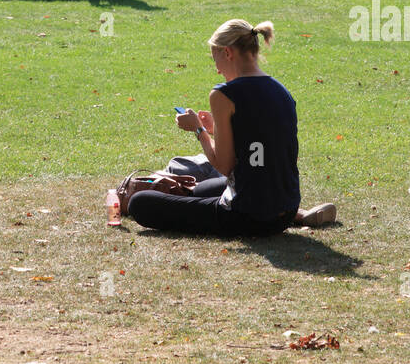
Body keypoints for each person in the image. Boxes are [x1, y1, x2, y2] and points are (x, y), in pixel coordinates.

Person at [127, 18, 336, 237]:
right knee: (198, 190)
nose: (217, 70)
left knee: (139, 203)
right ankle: (298, 215)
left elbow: (224, 166)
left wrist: (199, 130)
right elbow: (261, 145)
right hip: (285, 208)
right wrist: (215, 129)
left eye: (214, 58)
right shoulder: (282, 91)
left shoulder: (224, 94)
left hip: (247, 215)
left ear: (227, 53)